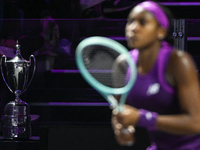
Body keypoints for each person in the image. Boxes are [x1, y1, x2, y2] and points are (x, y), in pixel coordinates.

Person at [111, 1, 200, 149]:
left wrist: (142, 118)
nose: (133, 28)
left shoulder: (178, 62)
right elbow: (120, 111)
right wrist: (120, 129)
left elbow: (196, 123)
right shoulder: (122, 65)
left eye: (143, 22)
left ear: (161, 31)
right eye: (130, 21)